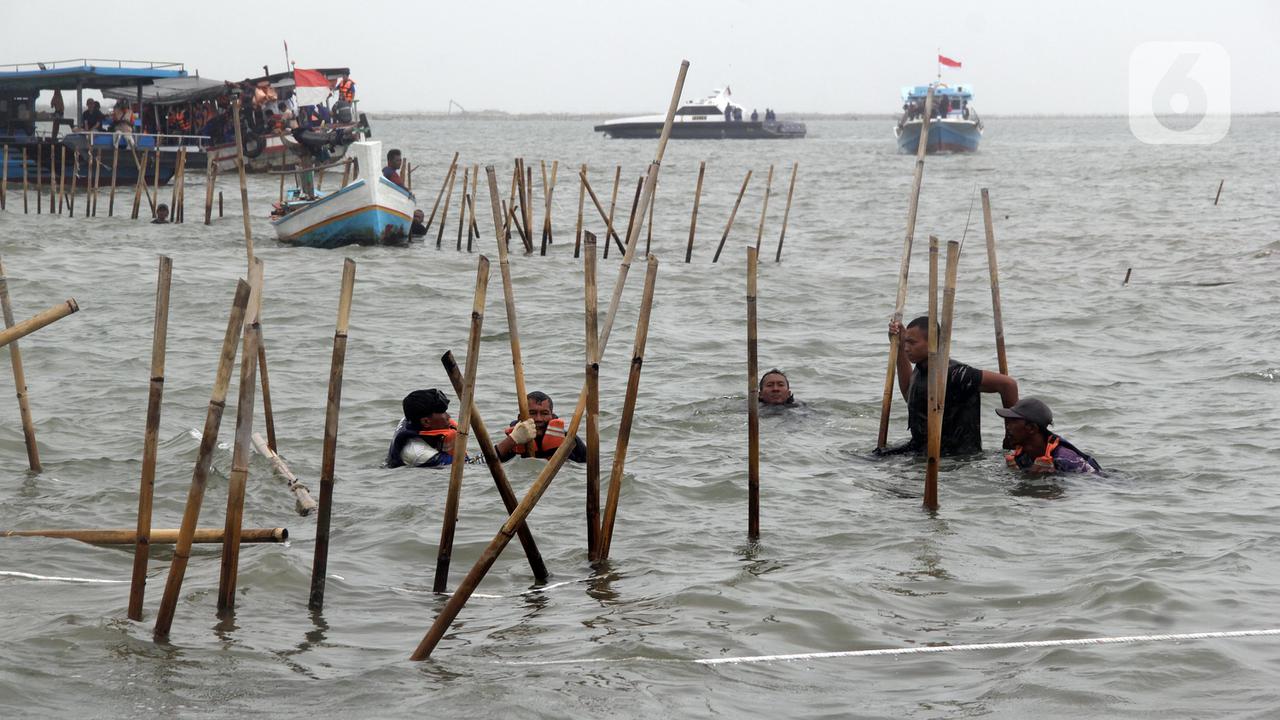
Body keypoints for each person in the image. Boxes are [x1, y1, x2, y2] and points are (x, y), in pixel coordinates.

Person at [881, 315, 1019, 456]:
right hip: (922, 448)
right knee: (877, 456)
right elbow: (909, 396)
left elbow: (1008, 385)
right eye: (905, 342)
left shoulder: (956, 373)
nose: (906, 348)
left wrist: (1012, 436)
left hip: (955, 455)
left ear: (933, 342)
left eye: (912, 343)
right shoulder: (921, 368)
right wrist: (898, 345)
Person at [996, 398, 1101, 474]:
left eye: (1013, 421)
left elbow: (1095, 484)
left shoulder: (1066, 459)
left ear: (1032, 428)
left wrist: (1051, 478)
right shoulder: (1022, 455)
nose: (1007, 427)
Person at [495, 391, 587, 463]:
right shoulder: (512, 442)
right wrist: (512, 439)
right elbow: (486, 463)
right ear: (520, 418)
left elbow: (589, 465)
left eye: (544, 413)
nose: (538, 419)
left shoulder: (568, 439)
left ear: (553, 417)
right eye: (532, 413)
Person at [385, 389, 460, 468]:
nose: (448, 416)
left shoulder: (412, 417)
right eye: (443, 412)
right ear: (426, 422)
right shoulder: (420, 453)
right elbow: (462, 463)